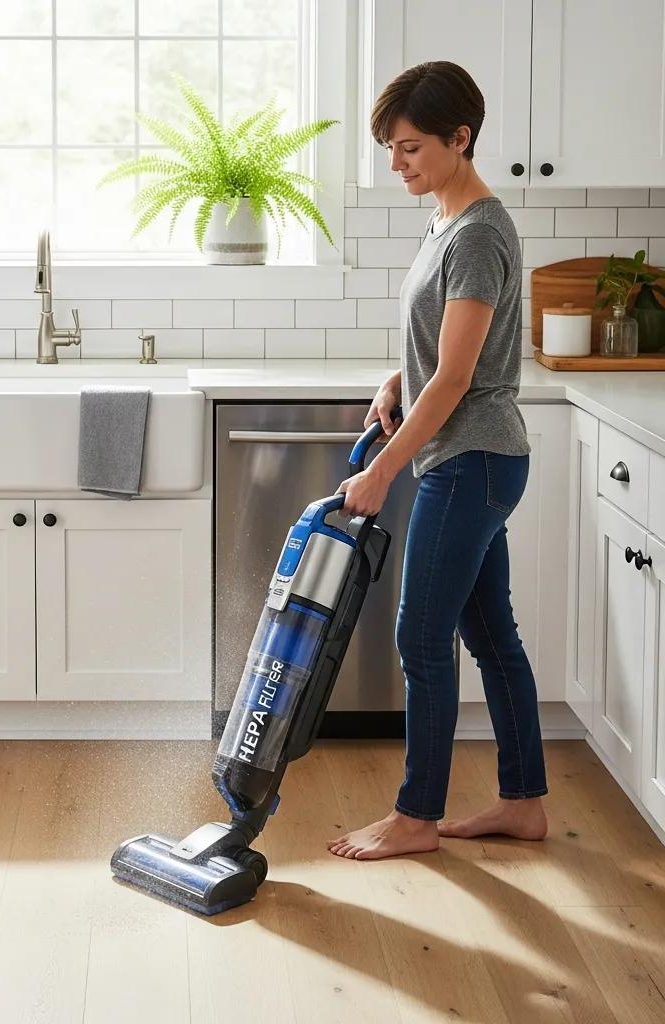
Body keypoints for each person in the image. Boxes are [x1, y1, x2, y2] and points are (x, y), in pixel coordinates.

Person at [327, 61, 548, 860]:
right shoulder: (446, 222)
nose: (397, 164)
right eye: (391, 147)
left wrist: (382, 471)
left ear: (461, 139)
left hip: (472, 460)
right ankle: (524, 804)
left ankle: (417, 817)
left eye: (411, 147)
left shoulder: (482, 231)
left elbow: (459, 377)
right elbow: (447, 351)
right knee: (492, 638)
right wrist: (398, 377)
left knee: (421, 638)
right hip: (470, 457)